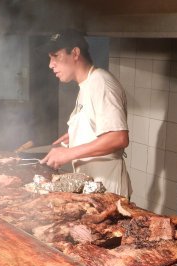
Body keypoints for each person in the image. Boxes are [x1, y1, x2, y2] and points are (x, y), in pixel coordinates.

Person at [38, 29, 132, 197]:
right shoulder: (86, 84)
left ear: (75, 53)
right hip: (93, 187)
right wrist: (76, 134)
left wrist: (68, 154)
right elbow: (98, 124)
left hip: (108, 189)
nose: (50, 64)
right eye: (50, 58)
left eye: (56, 56)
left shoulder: (101, 83)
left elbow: (119, 137)